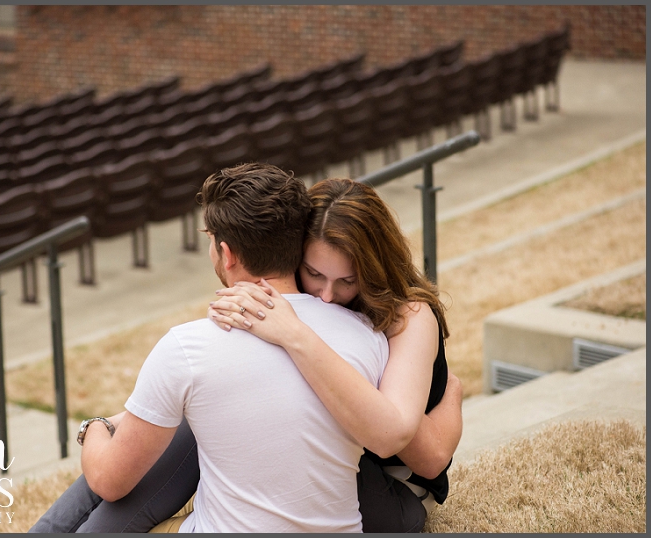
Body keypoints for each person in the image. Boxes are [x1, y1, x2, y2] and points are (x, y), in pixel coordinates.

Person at [32, 163, 430, 533]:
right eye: (318, 275)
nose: (328, 296)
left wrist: (95, 427)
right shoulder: (370, 334)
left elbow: (107, 480)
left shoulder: (187, 346)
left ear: (226, 252)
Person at [208, 177, 463, 531]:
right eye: (314, 273)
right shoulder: (295, 297)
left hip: (388, 481)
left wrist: (297, 336)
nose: (326, 295)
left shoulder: (409, 316)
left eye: (347, 281)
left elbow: (428, 458)